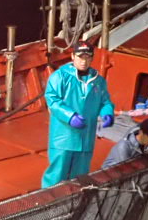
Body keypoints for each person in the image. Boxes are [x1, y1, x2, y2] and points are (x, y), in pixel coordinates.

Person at [42, 40, 114, 188]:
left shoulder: (98, 81)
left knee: (80, 176)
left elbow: (105, 101)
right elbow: (52, 100)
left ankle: (76, 202)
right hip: (63, 138)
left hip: (86, 139)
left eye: (88, 57)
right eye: (81, 57)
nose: (84, 61)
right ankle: (48, 202)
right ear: (73, 56)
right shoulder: (60, 77)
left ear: (92, 58)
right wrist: (70, 116)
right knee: (56, 174)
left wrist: (108, 113)